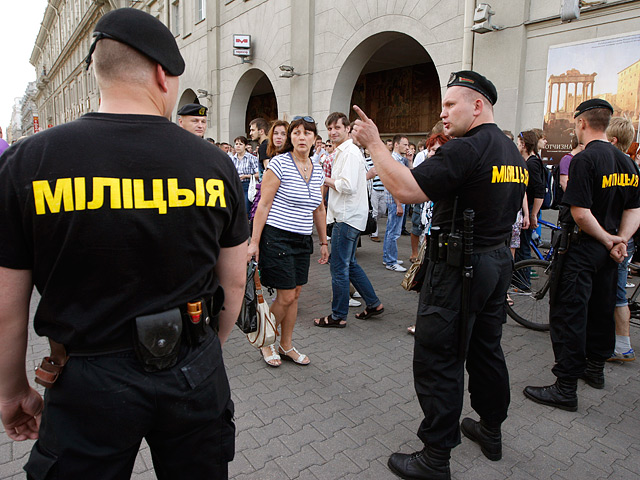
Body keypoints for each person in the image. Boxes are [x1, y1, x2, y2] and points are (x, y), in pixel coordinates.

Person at [0, 8, 248, 479]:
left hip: (85, 377)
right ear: (162, 75)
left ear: (99, 73)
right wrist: (206, 350)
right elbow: (233, 280)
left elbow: (6, 303)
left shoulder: (28, 163)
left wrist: (11, 390)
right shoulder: (214, 165)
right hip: (192, 366)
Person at [352, 70, 526, 480]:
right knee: (486, 349)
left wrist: (375, 144)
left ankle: (435, 456)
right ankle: (491, 429)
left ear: (477, 105)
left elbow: (407, 189)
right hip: (495, 261)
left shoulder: (466, 148)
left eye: (450, 104)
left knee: (440, 357)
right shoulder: (510, 150)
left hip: (460, 269)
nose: (443, 113)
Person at [524, 100, 640, 411]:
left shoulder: (585, 159)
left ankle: (565, 387)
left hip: (582, 249)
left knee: (570, 314)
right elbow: (634, 209)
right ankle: (595, 369)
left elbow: (580, 212)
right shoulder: (626, 162)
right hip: (610, 252)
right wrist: (620, 240)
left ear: (582, 123)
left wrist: (607, 239)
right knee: (602, 309)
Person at [248, 116, 329, 366]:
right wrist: (254, 242)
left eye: (307, 133)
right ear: (290, 138)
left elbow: (319, 208)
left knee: (295, 294)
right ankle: (266, 341)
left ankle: (286, 345)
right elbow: (263, 205)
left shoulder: (318, 169)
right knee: (284, 296)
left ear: (314, 138)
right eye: (297, 133)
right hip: (277, 238)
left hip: (302, 239)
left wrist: (324, 242)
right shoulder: (279, 164)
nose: (301, 137)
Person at [314, 112, 383, 328]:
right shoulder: (344, 152)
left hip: (347, 217)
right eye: (330, 128)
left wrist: (322, 177)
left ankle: (338, 315)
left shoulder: (350, 152)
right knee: (349, 264)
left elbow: (348, 186)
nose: (333, 132)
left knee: (339, 267)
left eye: (337, 127)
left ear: (346, 129)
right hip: (348, 216)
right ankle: (373, 304)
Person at [606, 116, 638, 362]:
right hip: (625, 237)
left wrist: (619, 239)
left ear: (614, 140)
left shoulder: (617, 166)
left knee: (617, 293)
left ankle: (623, 346)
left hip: (615, 238)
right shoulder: (633, 167)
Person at [515, 130, 545, 272]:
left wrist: (533, 214)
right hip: (529, 207)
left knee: (524, 247)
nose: (517, 146)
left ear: (524, 144)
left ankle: (524, 279)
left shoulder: (532, 164)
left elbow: (539, 190)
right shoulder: (530, 161)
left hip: (531, 207)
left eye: (518, 143)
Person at [383, 134, 410, 272]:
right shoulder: (394, 160)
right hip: (395, 201)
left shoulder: (401, 159)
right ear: (396, 145)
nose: (407, 147)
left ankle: (388, 257)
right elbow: (392, 184)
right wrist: (399, 204)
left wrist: (410, 160)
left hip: (398, 200)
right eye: (405, 145)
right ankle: (390, 261)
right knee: (393, 232)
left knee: (391, 230)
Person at [232, 135, 259, 216]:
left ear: (245, 146)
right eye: (236, 144)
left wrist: (246, 176)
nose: (238, 146)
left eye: (240, 144)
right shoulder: (231, 159)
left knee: (246, 209)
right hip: (235, 186)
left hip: (247, 186)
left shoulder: (251, 158)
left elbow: (258, 174)